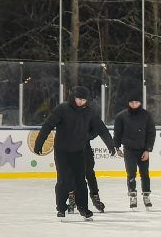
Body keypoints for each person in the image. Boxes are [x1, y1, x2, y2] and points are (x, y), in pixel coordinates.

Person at [34, 86, 115, 221]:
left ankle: (83, 208)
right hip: (62, 151)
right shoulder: (62, 109)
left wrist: (110, 145)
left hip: (79, 151)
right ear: (73, 97)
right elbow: (48, 125)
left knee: (80, 181)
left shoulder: (89, 112)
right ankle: (61, 208)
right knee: (64, 180)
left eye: (83, 100)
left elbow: (101, 128)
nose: (80, 102)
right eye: (78, 99)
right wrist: (39, 142)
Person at [113, 95, 158, 208]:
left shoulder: (146, 115)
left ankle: (146, 195)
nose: (134, 104)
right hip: (129, 149)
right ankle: (132, 194)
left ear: (140, 103)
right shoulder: (121, 116)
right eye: (131, 102)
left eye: (136, 102)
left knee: (144, 173)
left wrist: (148, 149)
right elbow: (117, 133)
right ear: (128, 103)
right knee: (131, 173)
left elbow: (151, 133)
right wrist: (117, 148)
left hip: (143, 149)